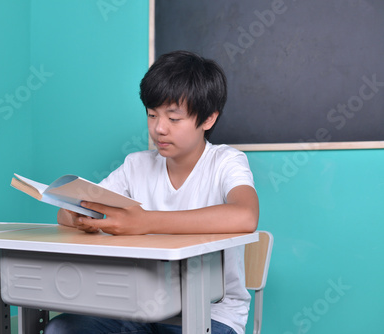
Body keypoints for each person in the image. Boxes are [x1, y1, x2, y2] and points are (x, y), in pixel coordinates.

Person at [44, 50, 259, 334]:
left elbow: (245, 216)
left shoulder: (226, 162)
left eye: (174, 118)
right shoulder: (137, 165)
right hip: (139, 308)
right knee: (62, 329)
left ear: (208, 119)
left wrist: (144, 222)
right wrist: (79, 217)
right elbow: (66, 212)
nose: (159, 128)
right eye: (152, 114)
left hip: (212, 314)